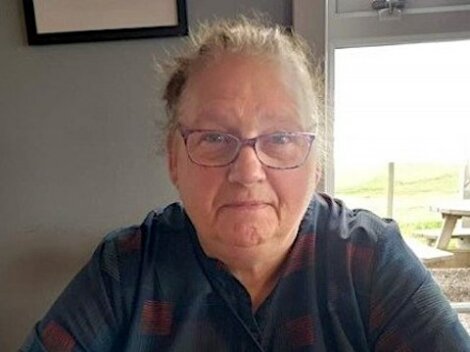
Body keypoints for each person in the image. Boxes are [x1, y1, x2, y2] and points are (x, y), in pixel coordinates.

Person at [20, 17, 469, 352]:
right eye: (215, 137)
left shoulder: (370, 263)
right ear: (175, 159)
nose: (248, 170)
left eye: (281, 138)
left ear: (315, 164)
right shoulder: (125, 271)